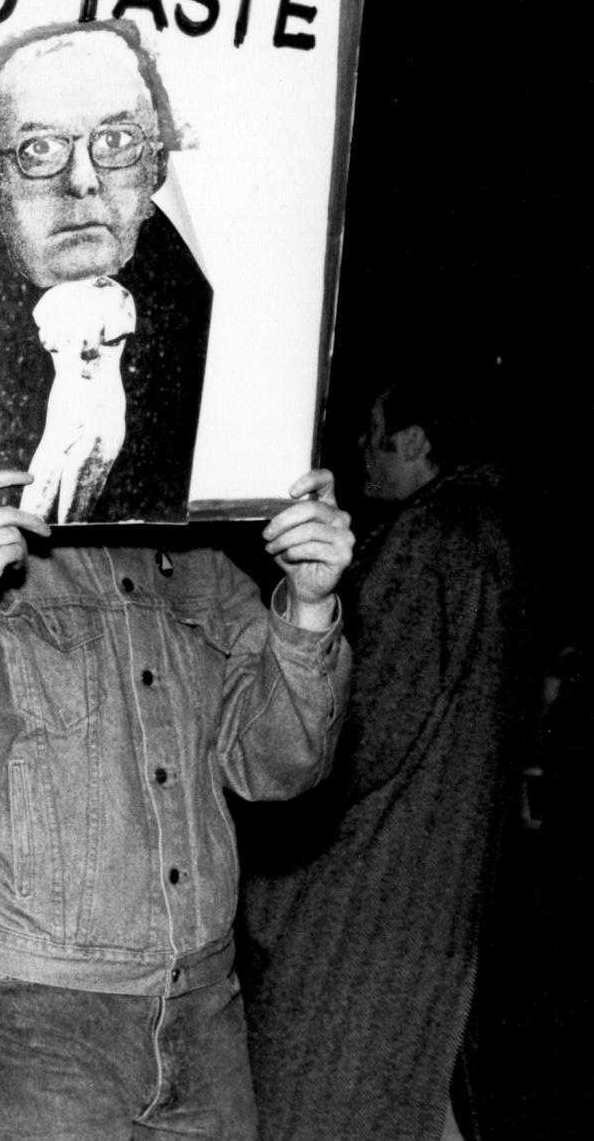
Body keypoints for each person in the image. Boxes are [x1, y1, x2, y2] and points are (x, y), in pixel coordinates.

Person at [0, 463, 354, 1141]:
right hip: (36, 1018)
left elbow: (276, 768)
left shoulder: (198, 558)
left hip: (204, 1005)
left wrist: (307, 607)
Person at [238, 378, 522, 1141]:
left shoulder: (426, 543)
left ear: (418, 441)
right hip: (436, 893)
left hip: (365, 907)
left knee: (318, 1103)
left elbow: (353, 737)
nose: (361, 449)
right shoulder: (493, 537)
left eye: (375, 433)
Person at [0, 21, 211, 523]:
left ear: (157, 169)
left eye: (118, 139)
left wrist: (305, 601)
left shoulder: (209, 357)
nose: (83, 180)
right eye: (39, 149)